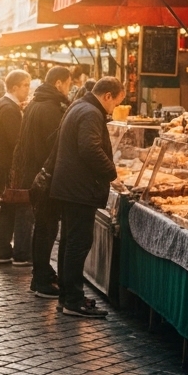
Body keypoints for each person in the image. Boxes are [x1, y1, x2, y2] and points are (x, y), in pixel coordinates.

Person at [48, 77, 126, 318]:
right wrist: (111, 172)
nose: (113, 109)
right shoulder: (91, 113)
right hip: (79, 189)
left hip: (70, 187)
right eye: (116, 103)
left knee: (70, 243)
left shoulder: (80, 105)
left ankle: (67, 297)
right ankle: (73, 299)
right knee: (77, 244)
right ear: (108, 96)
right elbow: (89, 148)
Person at [12, 66, 73, 297]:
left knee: (43, 227)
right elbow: (52, 147)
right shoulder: (50, 108)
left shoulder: (37, 103)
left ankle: (42, 274)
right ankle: (41, 280)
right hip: (45, 177)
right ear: (59, 83)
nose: (69, 89)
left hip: (35, 175)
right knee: (46, 229)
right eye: (68, 84)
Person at [0, 70, 32, 265]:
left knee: (8, 209)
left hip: (3, 166)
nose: (28, 89)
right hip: (11, 169)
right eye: (25, 86)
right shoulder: (8, 108)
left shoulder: (4, 105)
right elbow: (17, 141)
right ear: (14, 87)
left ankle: (3, 252)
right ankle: (21, 254)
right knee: (21, 207)